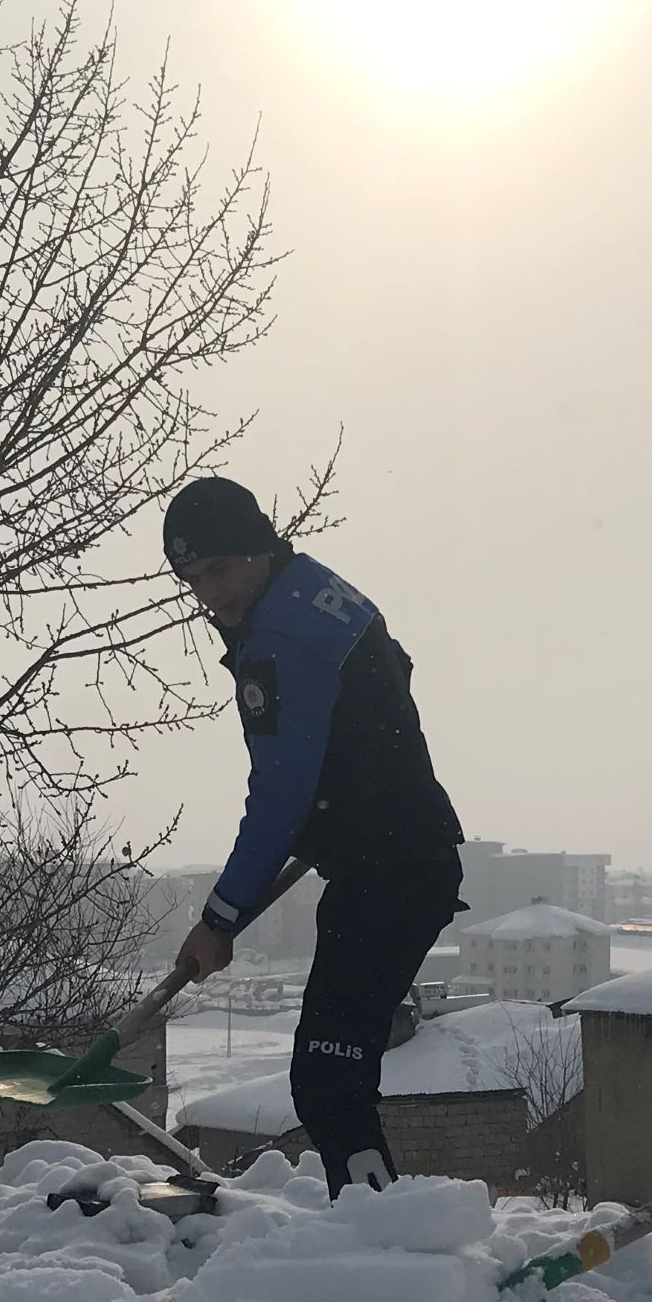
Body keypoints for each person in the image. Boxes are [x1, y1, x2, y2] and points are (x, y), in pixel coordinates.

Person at [163, 476, 463, 1195]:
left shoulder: (279, 640)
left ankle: (380, 1243)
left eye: (221, 570)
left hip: (389, 873)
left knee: (329, 1083)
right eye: (193, 579)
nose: (210, 593)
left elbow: (275, 797)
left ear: (259, 548)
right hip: (391, 861)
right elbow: (396, 669)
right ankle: (378, 1232)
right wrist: (342, 786)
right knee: (335, 1078)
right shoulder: (320, 592)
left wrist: (220, 918)